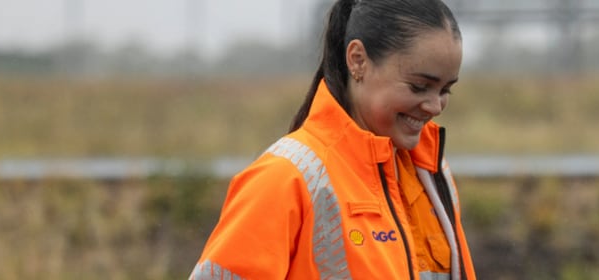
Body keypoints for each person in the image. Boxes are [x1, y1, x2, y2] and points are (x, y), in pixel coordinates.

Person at [190, 0, 474, 279]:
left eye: (446, 90)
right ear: (358, 60)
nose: (435, 106)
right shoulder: (286, 178)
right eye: (419, 87)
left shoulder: (432, 173)